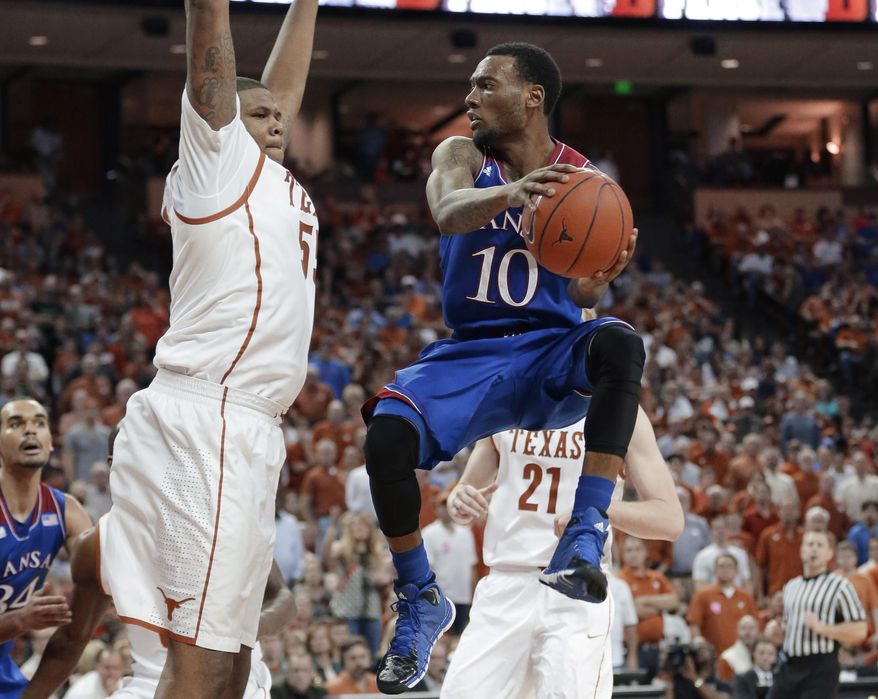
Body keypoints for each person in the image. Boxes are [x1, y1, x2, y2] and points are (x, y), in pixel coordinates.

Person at [362, 41, 644, 693]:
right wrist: (515, 193)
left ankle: (585, 529)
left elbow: (579, 295)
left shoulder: (584, 180)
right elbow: (448, 211)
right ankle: (420, 596)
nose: (470, 98)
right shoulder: (460, 156)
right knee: (386, 437)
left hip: (549, 346)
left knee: (621, 344)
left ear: (532, 97)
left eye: (485, 86)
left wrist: (598, 282)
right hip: (473, 348)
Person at [65, 0, 320, 697]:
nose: (274, 120)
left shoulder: (274, 178)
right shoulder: (216, 162)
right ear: (224, 122)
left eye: (278, 115)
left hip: (249, 427)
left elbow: (280, 91)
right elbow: (210, 33)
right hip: (207, 418)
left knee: (236, 664)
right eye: (257, 113)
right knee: (203, 661)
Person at [21, 426, 296, 699]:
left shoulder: (224, 518)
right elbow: (72, 639)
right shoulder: (98, 543)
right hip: (147, 684)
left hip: (234, 679)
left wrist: (248, 627)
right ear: (114, 463)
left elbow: (282, 598)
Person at [440, 405, 682, 698]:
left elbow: (669, 519)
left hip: (575, 585)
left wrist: (596, 509)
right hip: (505, 583)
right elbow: (466, 488)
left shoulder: (620, 406)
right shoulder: (508, 395)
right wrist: (459, 498)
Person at [0, 399, 92, 699]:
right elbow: (20, 621)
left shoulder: (67, 512)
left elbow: (100, 585)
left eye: (39, 423)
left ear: (51, 442)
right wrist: (20, 621)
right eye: (16, 424)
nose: (30, 430)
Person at [768, 530, 866, 699]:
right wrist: (778, 632)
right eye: (810, 544)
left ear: (829, 554)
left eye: (820, 545)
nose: (814, 549)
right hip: (789, 664)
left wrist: (823, 628)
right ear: (801, 550)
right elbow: (791, 627)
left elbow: (860, 630)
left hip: (821, 667)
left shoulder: (840, 586)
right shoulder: (791, 587)